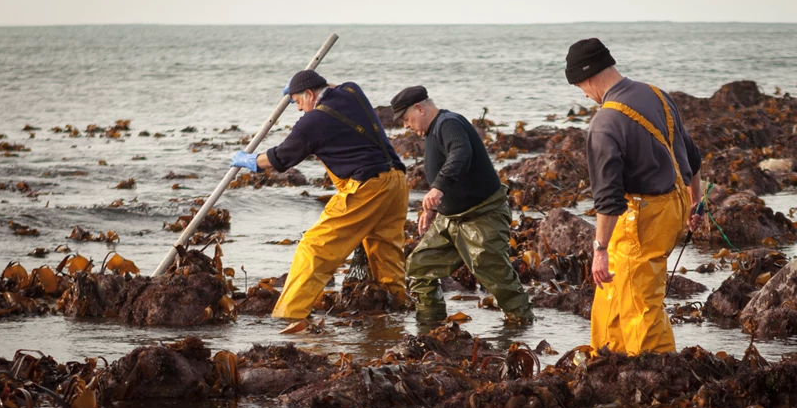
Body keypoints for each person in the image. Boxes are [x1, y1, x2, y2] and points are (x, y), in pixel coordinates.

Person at [230, 70, 408, 319]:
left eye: (297, 102)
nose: (298, 108)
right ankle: (397, 310)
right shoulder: (352, 91)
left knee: (314, 249)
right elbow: (332, 86)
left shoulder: (312, 123)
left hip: (367, 187)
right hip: (396, 181)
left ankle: (288, 315)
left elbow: (281, 157)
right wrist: (298, 87)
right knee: (385, 250)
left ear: (311, 94)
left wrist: (250, 161)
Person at [566, 38, 703, 355]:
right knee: (613, 290)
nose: (585, 96)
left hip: (643, 217)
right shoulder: (656, 94)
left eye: (580, 88)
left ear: (587, 77)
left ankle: (658, 372)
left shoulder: (604, 123)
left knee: (640, 302)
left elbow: (609, 198)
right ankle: (610, 360)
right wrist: (694, 203)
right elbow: (692, 157)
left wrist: (600, 249)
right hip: (674, 203)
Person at [392, 85, 534, 325]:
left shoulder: (449, 123)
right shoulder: (432, 132)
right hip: (450, 219)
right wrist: (432, 209)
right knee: (420, 266)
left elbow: (460, 153)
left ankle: (522, 327)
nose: (406, 126)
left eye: (406, 119)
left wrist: (438, 188)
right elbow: (446, 168)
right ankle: (431, 327)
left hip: (483, 214)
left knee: (496, 276)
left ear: (419, 108)